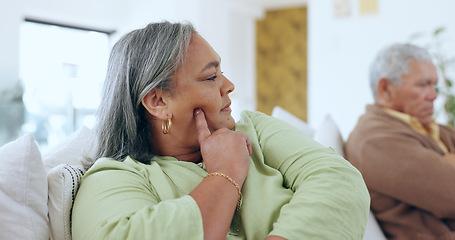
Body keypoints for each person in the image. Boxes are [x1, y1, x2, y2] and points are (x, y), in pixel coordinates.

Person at [71, 21, 369, 240]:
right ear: (158, 101)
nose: (229, 86)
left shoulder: (256, 129)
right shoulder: (111, 179)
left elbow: (340, 181)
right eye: (211, 76)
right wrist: (225, 174)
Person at [345, 43, 455, 239]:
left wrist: (447, 162)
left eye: (434, 84)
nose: (434, 95)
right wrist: (444, 161)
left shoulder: (420, 125)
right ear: (385, 88)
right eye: (423, 84)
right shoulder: (373, 138)